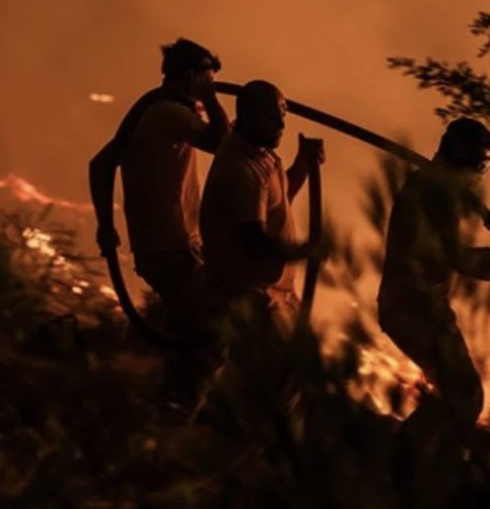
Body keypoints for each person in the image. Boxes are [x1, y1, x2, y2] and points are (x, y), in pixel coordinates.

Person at [377, 118, 490, 483]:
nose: (480, 175)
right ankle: (404, 463)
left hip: (420, 308)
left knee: (460, 396)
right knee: (465, 393)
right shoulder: (430, 193)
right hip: (415, 308)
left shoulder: (439, 190)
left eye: (487, 165)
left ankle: (424, 466)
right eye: (480, 164)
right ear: (459, 155)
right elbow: (456, 258)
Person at [88, 38, 230, 402]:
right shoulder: (168, 113)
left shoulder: (155, 112)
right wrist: (212, 100)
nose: (208, 90)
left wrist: (107, 226)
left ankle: (161, 402)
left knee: (189, 332)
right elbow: (222, 142)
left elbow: (101, 163)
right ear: (189, 78)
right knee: (212, 336)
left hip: (167, 246)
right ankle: (177, 412)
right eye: (205, 80)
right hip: (173, 247)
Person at [198, 80, 325, 335]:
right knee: (278, 371)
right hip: (252, 298)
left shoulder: (260, 155)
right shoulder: (239, 166)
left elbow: (279, 199)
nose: (280, 125)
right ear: (246, 115)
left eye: (282, 115)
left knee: (300, 368)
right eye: (271, 117)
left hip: (277, 293)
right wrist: (303, 251)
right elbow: (254, 240)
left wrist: (303, 163)